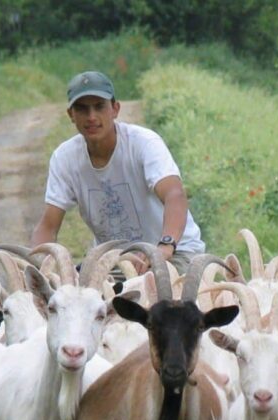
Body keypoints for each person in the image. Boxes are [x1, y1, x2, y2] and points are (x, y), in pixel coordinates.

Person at [30, 71, 205, 272]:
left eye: (99, 107)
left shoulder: (144, 143)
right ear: (71, 114)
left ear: (115, 109)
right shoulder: (64, 158)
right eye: (82, 109)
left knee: (159, 297)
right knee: (72, 300)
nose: (92, 117)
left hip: (174, 253)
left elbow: (174, 194)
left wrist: (165, 245)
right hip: (113, 261)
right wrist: (38, 266)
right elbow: (48, 225)